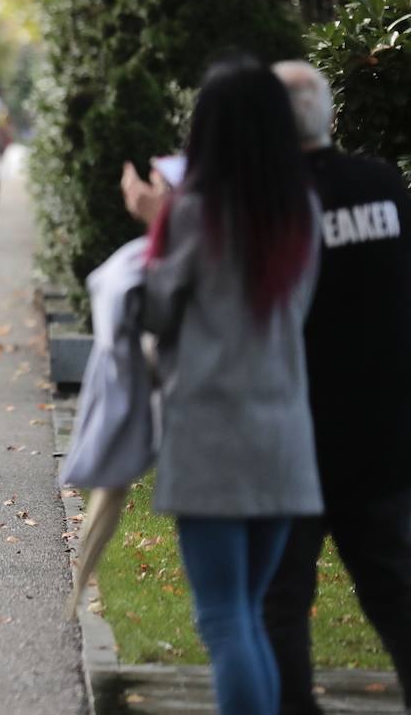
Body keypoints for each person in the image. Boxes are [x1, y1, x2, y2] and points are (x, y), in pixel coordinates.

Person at [120, 53, 323, 715]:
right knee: (251, 612)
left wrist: (153, 220)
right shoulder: (301, 210)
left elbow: (156, 310)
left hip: (212, 435)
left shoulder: (194, 212)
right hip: (284, 436)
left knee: (224, 618)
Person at [262, 60, 411, 715]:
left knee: (281, 598)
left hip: (296, 437)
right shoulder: (382, 184)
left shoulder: (269, 202)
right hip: (382, 429)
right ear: (331, 114)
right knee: (396, 590)